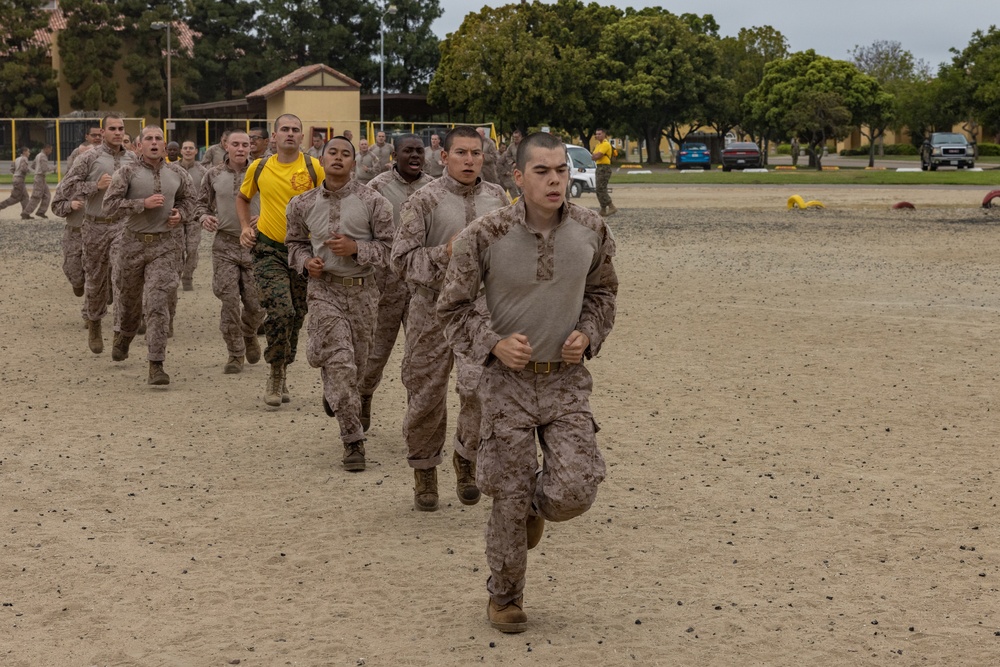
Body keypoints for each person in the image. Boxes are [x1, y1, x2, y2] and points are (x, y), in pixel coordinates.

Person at [437, 131, 618, 633]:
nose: (555, 180)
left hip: (565, 382)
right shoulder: (485, 234)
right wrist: (493, 342)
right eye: (542, 171)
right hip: (507, 385)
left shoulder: (591, 230)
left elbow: (603, 294)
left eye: (561, 170)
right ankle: (505, 597)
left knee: (577, 488)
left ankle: (539, 507)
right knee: (509, 494)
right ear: (518, 177)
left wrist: (588, 333)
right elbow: (449, 308)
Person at [390, 125, 509, 511]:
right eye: (461, 153)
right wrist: (448, 251)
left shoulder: (497, 198)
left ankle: (466, 456)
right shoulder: (424, 201)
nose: (470, 160)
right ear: (444, 156)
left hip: (481, 310)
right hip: (432, 309)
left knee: (479, 388)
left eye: (476, 153)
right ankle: (424, 471)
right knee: (425, 395)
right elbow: (402, 261)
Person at [286, 137, 394, 471]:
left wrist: (357, 249)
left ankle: (337, 392)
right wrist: (306, 263)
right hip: (324, 292)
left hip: (363, 293)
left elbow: (391, 250)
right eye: (332, 152)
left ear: (353, 163)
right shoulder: (302, 203)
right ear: (321, 158)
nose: (338, 158)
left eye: (345, 154)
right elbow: (294, 245)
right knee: (340, 364)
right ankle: (353, 441)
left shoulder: (374, 202)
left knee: (356, 371)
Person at [238, 113, 322, 407]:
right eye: (284, 129)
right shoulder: (259, 166)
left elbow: (329, 201)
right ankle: (274, 372)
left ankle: (284, 367)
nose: (289, 134)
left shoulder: (313, 167)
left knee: (298, 314)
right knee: (280, 311)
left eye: (295, 130)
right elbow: (243, 197)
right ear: (273, 137)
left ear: (302, 137)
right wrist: (246, 227)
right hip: (268, 249)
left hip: (303, 252)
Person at [102, 125, 196, 386]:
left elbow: (190, 201)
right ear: (139, 146)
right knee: (129, 302)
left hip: (165, 247)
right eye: (149, 139)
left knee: (157, 304)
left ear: (165, 146)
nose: (154, 143)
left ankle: (156, 364)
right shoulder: (127, 172)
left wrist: (181, 214)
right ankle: (125, 334)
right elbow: (108, 206)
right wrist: (141, 204)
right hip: (132, 245)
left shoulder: (177, 173)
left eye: (158, 139)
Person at [362, 135, 434, 435]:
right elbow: (363, 231)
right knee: (375, 354)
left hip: (422, 286)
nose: (415, 156)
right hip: (385, 286)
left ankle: (417, 425)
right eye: (408, 151)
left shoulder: (435, 189)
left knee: (421, 358)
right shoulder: (376, 188)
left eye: (419, 151)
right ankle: (363, 394)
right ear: (395, 154)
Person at [52, 114, 134, 355]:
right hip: (95, 225)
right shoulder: (90, 157)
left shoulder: (132, 158)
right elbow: (65, 188)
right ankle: (95, 323)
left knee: (122, 277)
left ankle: (121, 331)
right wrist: (94, 186)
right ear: (103, 131)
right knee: (96, 280)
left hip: (123, 225)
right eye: (112, 128)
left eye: (121, 128)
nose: (118, 132)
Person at [195, 130, 264, 375]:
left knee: (257, 304)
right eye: (235, 144)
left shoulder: (262, 172)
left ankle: (249, 333)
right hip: (225, 244)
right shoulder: (213, 174)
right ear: (226, 145)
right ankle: (235, 353)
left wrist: (265, 217)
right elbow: (200, 204)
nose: (241, 148)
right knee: (230, 300)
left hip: (256, 245)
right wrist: (204, 217)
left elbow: (280, 202)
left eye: (246, 144)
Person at [178, 140, 208, 291]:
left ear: (196, 151)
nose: (188, 151)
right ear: (181, 151)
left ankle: (187, 276)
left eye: (191, 148)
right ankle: (175, 275)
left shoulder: (203, 171)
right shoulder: (173, 169)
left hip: (194, 217)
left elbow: (207, 194)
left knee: (192, 248)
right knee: (178, 248)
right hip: (176, 217)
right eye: (185, 148)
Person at [591, 128, 616, 217]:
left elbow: (597, 155)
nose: (597, 136)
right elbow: (593, 156)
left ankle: (611, 206)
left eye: (599, 134)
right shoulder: (598, 145)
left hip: (604, 168)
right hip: (599, 167)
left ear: (604, 134)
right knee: (598, 189)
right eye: (596, 134)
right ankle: (603, 209)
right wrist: (595, 156)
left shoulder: (606, 144)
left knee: (601, 188)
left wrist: (596, 156)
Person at [1, 147, 33, 219]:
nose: (29, 153)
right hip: (20, 179)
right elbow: (23, 168)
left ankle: (25, 214)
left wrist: (16, 174)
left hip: (16, 178)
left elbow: (12, 169)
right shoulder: (24, 159)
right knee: (15, 198)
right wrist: (28, 171)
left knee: (25, 197)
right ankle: (1, 205)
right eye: (28, 151)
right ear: (24, 152)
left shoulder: (17, 159)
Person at [25, 145, 53, 219]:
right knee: (36, 196)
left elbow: (33, 166)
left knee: (47, 195)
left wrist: (37, 170)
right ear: (46, 148)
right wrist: (53, 168)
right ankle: (26, 212)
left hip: (39, 177)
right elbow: (44, 169)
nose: (51, 152)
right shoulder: (43, 156)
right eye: (50, 150)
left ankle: (41, 211)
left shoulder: (38, 155)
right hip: (40, 177)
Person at [501, 129, 523, 196]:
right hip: (515, 168)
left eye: (517, 137)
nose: (515, 139)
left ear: (521, 137)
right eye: (514, 137)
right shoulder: (511, 146)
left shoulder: (525, 144)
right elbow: (508, 156)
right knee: (516, 185)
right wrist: (512, 163)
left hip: (524, 166)